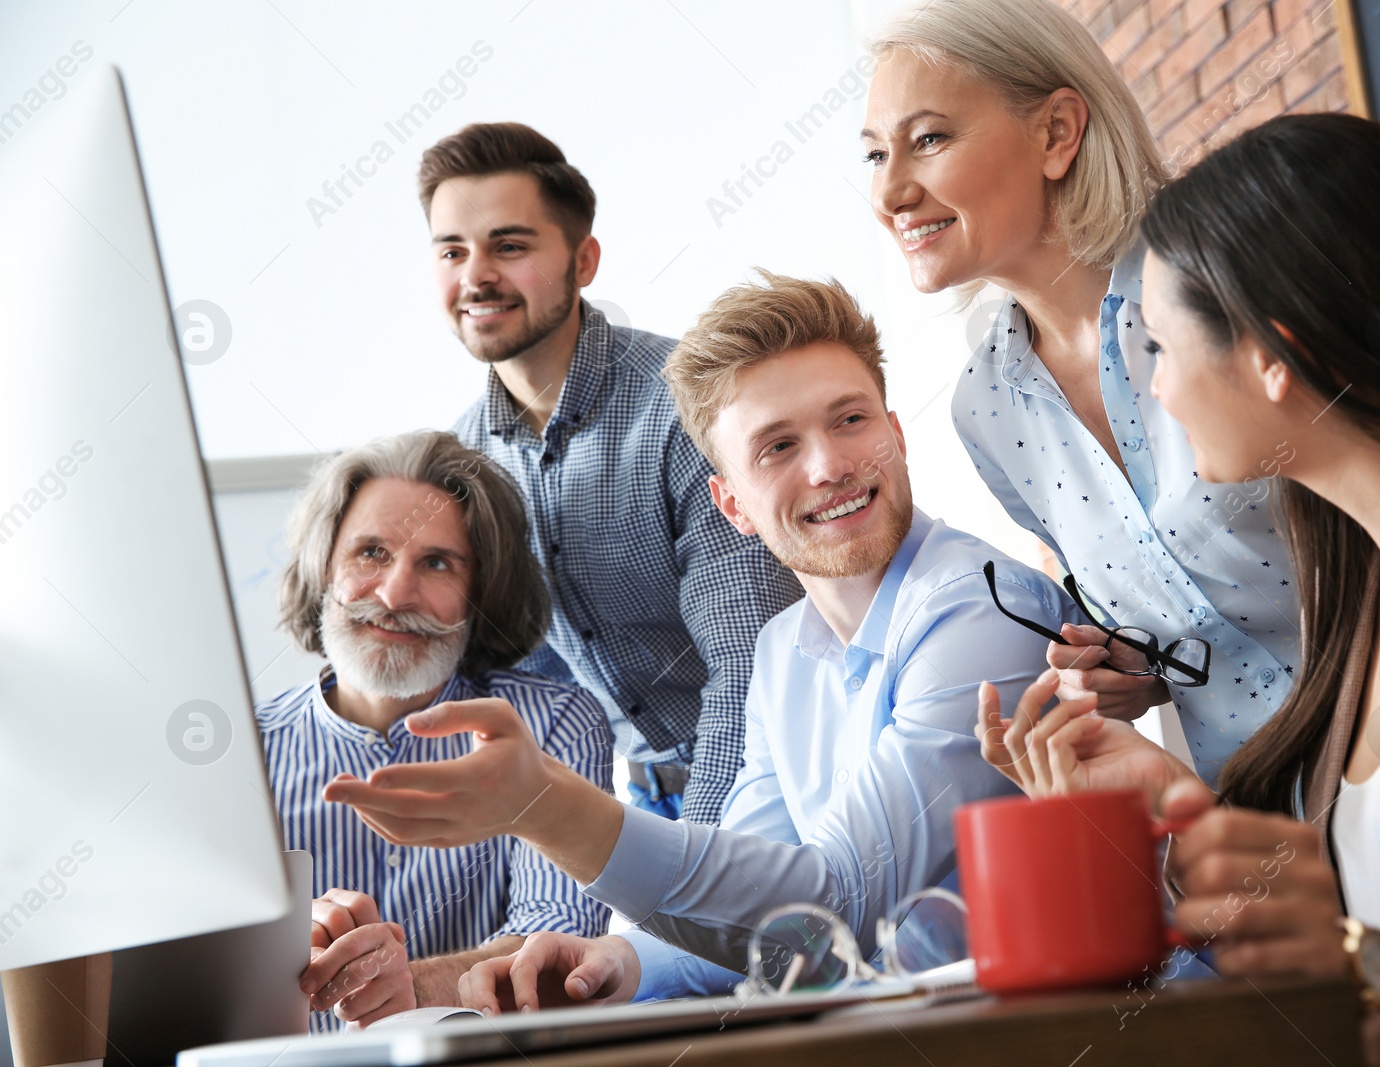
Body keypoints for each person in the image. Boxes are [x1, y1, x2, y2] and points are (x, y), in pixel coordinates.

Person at [981, 114, 1380, 1066]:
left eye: (1158, 348)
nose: (1158, 393)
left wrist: (1356, 960)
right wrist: (1176, 801)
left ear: (1273, 354)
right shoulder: (1358, 571)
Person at [323, 274, 1081, 1009]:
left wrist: (548, 807)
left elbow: (832, 901)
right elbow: (758, 901)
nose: (828, 465)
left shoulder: (985, 609)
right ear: (733, 505)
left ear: (896, 433)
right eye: (777, 447)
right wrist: (613, 963)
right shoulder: (784, 648)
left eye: (850, 420)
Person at [862, 0, 1300, 786]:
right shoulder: (986, 409)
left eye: (928, 139)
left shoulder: (1225, 266)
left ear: (1057, 133)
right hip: (1266, 821)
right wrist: (1130, 668)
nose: (891, 191)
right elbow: (1181, 626)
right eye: (873, 155)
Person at [422, 122, 803, 822]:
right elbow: (519, 687)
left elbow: (753, 663)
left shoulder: (685, 408)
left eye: (509, 245)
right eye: (452, 250)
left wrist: (694, 858)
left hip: (777, 781)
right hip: (637, 802)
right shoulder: (465, 460)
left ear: (584, 259)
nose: (475, 275)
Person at [258, 431, 612, 1030]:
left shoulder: (552, 724)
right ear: (323, 567)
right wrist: (278, 942)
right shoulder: (244, 751)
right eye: (370, 553)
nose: (395, 595)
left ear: (481, 590)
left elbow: (557, 943)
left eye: (437, 563)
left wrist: (408, 986)